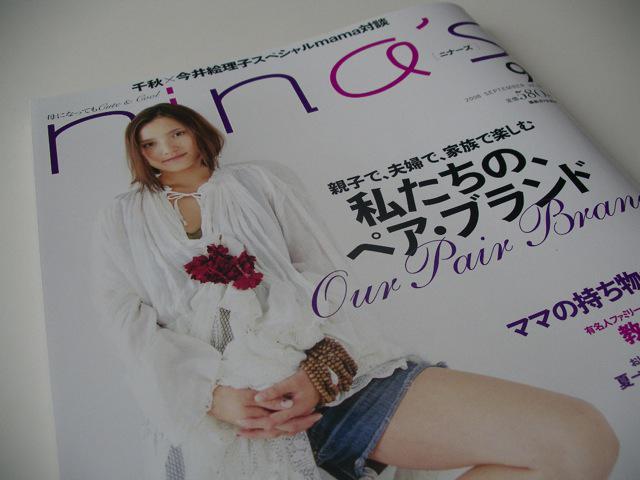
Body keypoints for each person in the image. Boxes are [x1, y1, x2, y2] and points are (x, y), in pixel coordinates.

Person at [92, 103, 619, 480]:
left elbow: (323, 272)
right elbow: (124, 318)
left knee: (576, 439)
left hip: (329, 375)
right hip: (215, 422)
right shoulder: (122, 215)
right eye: (150, 143)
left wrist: (324, 367)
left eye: (176, 133)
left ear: (199, 133)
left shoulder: (262, 181)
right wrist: (208, 397)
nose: (167, 149)